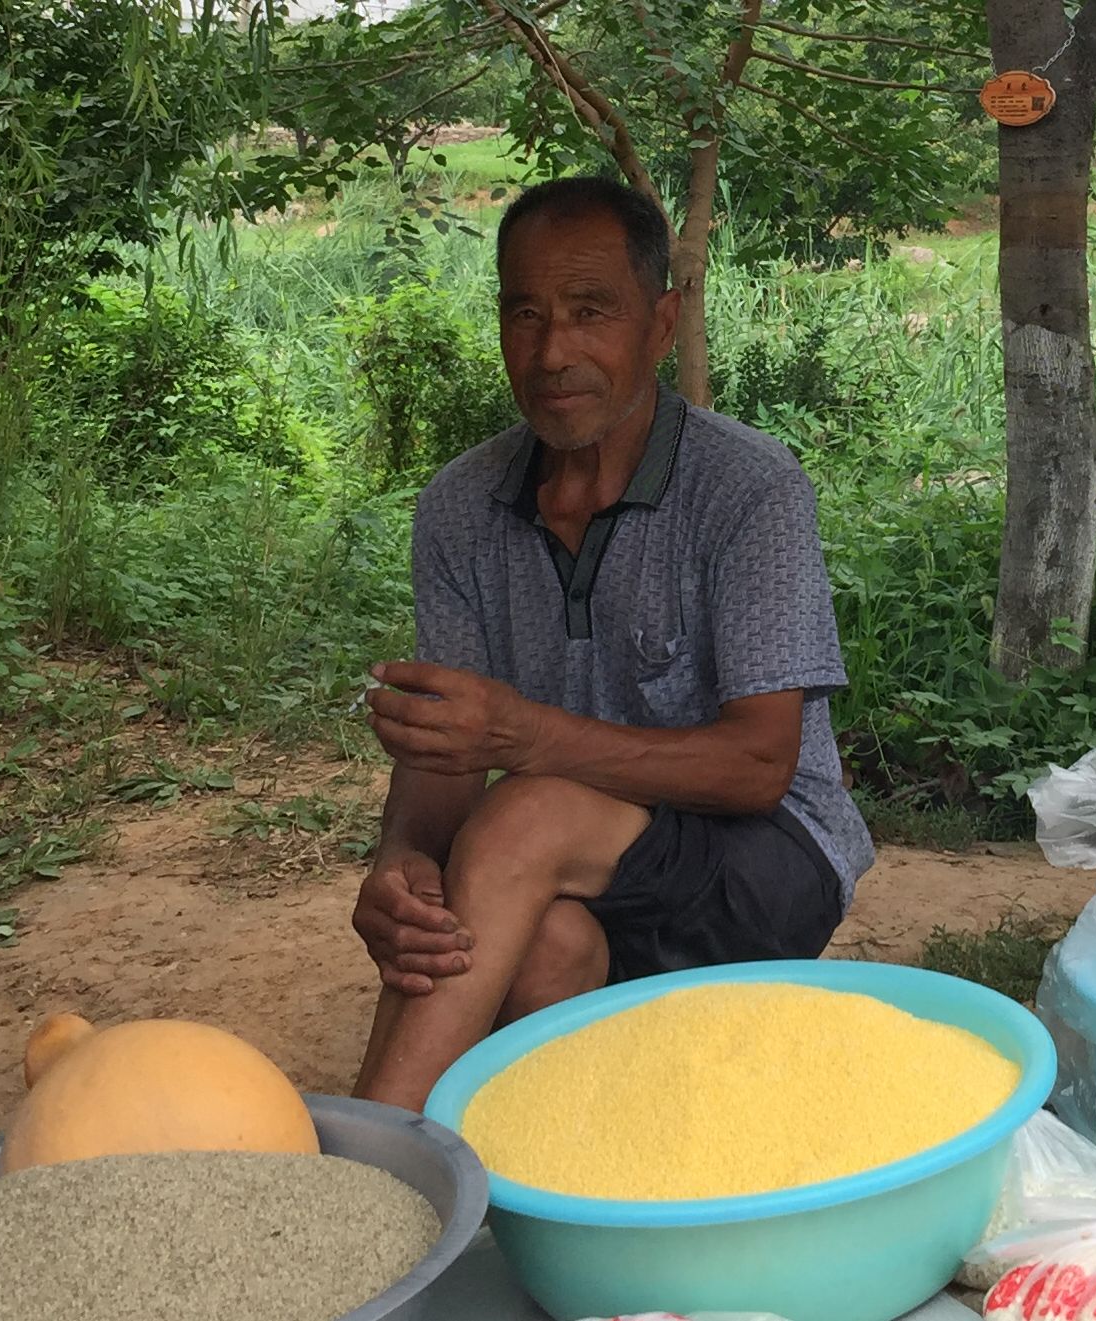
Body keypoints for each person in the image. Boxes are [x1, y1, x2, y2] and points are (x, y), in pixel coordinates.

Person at [349, 176, 873, 1110]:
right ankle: (560, 1181)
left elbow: (760, 764)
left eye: (592, 312)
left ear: (661, 326)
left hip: (766, 858)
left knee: (528, 813)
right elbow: (449, 753)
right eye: (526, 314)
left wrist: (526, 739)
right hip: (581, 871)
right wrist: (402, 865)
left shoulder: (747, 489)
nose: (554, 351)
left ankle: (360, 1169)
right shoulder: (460, 508)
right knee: (547, 949)